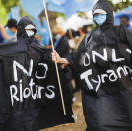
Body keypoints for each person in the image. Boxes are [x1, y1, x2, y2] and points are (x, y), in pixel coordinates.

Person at [52, 0, 132, 130]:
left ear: (109, 13)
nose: (98, 17)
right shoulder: (88, 38)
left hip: (123, 90)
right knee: (101, 123)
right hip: (101, 94)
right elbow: (79, 57)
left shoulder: (122, 33)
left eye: (101, 14)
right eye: (95, 14)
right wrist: (63, 59)